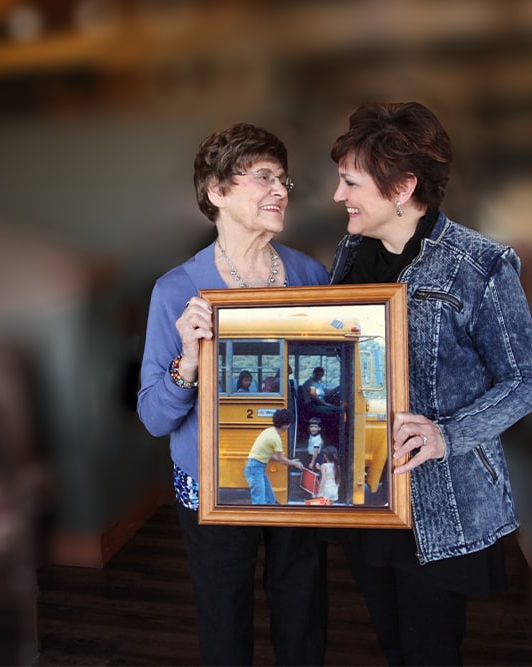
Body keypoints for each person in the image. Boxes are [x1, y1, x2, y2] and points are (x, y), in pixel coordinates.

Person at [326, 102, 532, 665]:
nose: (338, 196)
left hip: (440, 503)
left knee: (431, 650)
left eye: (350, 182)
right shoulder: (349, 254)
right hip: (366, 495)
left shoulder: (479, 265)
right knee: (393, 642)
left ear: (402, 186)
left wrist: (445, 434)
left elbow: (526, 381)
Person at [137, 122, 330, 665]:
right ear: (216, 192)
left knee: (303, 602)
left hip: (297, 472)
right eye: (263, 177)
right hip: (214, 483)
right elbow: (153, 416)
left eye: (284, 180)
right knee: (224, 612)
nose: (280, 190)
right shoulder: (176, 290)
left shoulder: (310, 275)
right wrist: (190, 363)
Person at [245, 409, 306, 504]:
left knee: (270, 499)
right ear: (286, 425)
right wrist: (294, 464)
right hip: (255, 469)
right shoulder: (275, 438)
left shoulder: (269, 431)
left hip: (256, 468)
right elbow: (281, 459)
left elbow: (273, 456)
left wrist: (290, 461)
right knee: (259, 502)